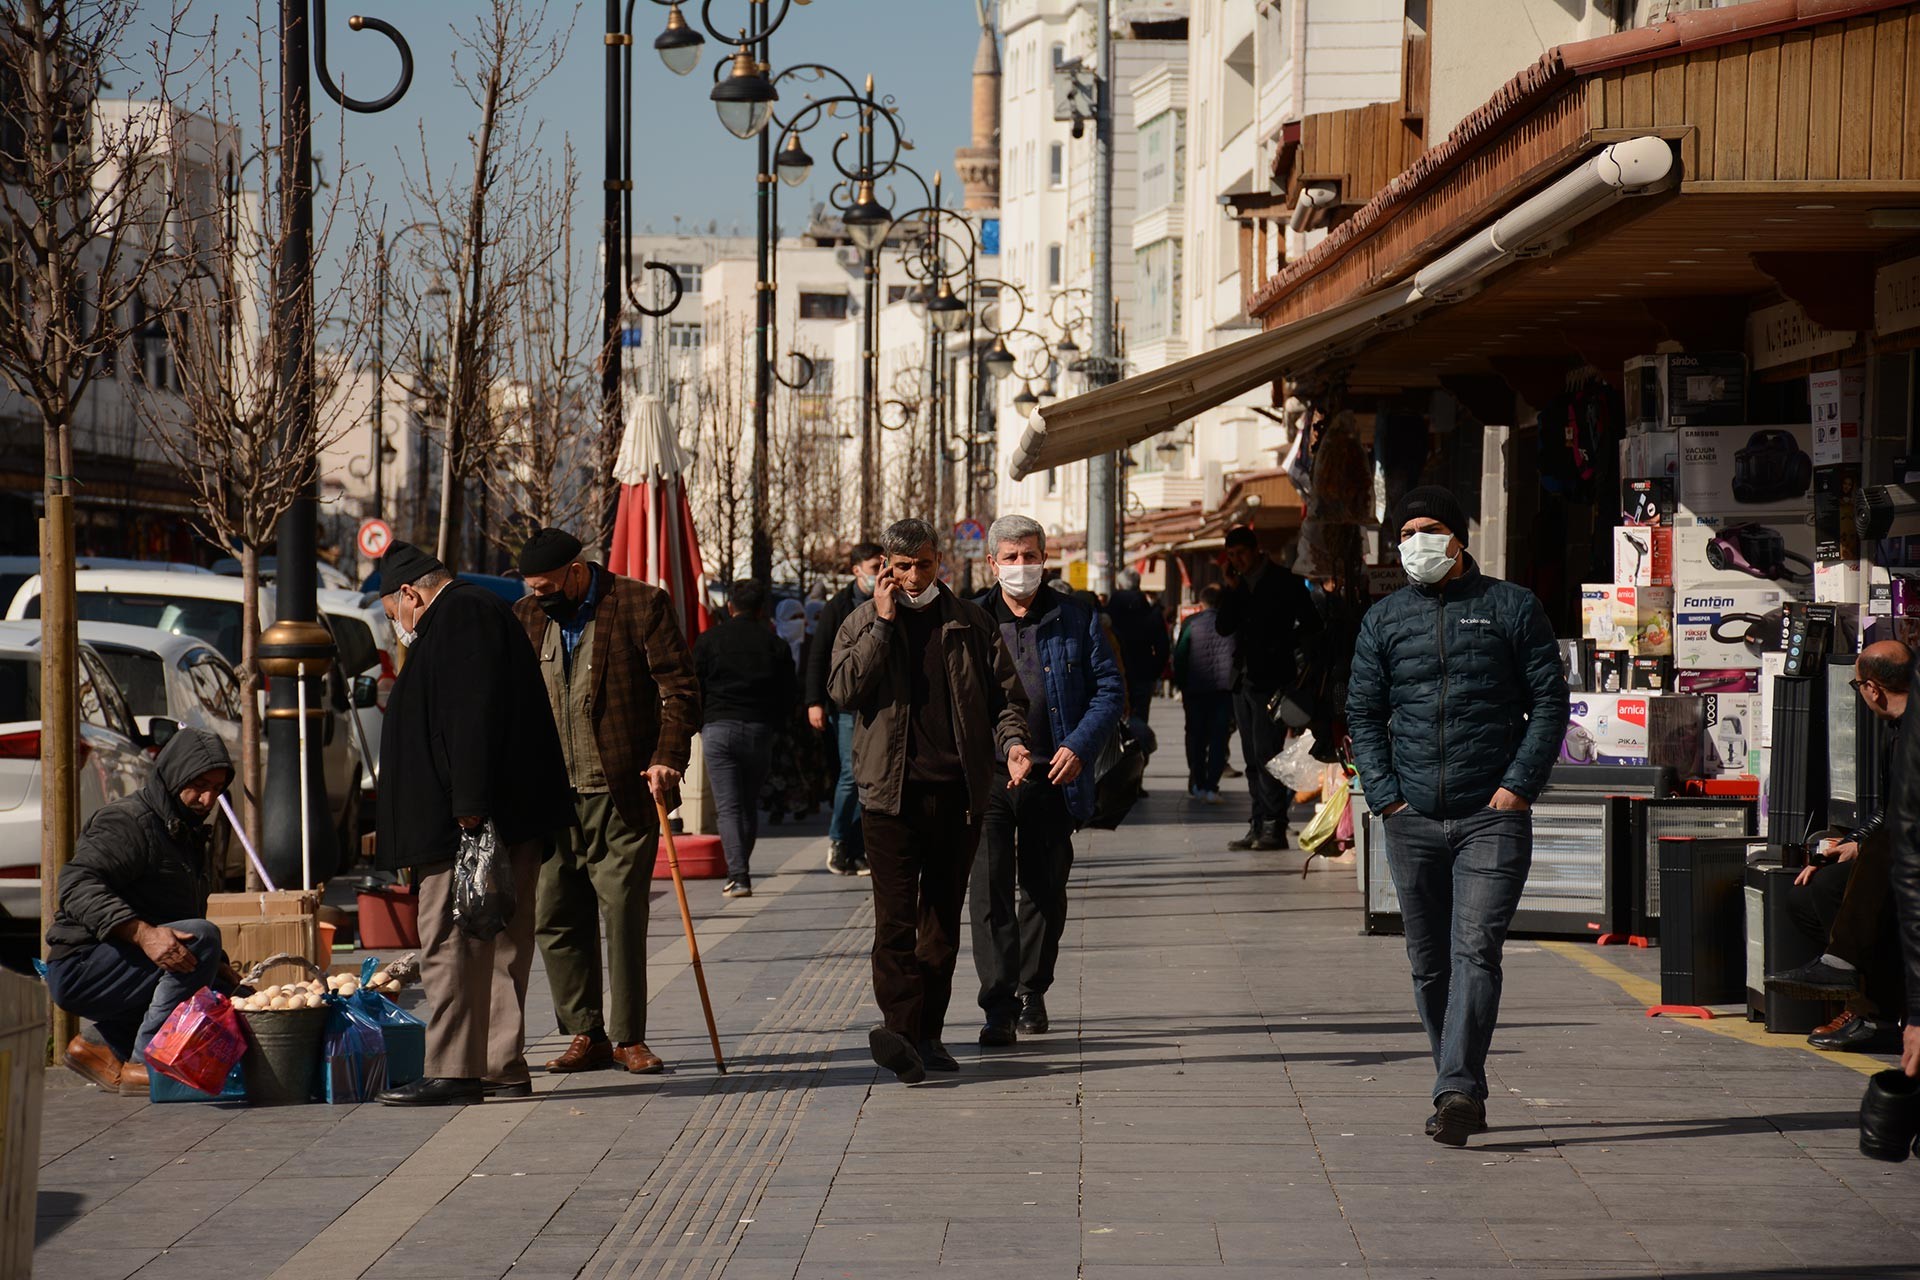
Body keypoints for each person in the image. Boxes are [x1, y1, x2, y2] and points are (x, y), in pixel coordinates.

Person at [1345, 485, 1568, 1147]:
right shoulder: (1383, 620)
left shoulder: (1512, 607)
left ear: (1460, 535)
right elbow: (1361, 713)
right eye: (1406, 531)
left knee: (1475, 951)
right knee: (1427, 962)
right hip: (1410, 817)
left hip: (1490, 816)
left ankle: (1458, 1089)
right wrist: (1387, 796)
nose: (1417, 541)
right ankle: (1456, 1079)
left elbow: (1549, 703)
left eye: (1430, 527)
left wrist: (1518, 787)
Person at [829, 518, 1031, 1083]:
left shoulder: (971, 622)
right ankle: (900, 1031)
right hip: (888, 799)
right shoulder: (861, 622)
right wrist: (883, 626)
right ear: (885, 569)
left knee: (939, 923)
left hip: (958, 795)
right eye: (901, 567)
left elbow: (1008, 700)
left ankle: (928, 1036)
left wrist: (1012, 745)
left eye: (923, 564)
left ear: (939, 560)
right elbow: (844, 691)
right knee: (894, 922)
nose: (913, 576)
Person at [373, 541, 574, 1106]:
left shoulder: (460, 613)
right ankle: (499, 1066)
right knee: (499, 936)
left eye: (395, 615)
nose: (399, 628)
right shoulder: (477, 611)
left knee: (452, 938)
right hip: (497, 814)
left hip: (471, 821)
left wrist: (469, 804)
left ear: (411, 593)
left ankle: (458, 1068)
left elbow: (469, 712)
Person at [514, 528, 700, 1077]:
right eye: (533, 588)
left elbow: (680, 689)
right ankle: (584, 1033)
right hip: (550, 796)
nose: (541, 597)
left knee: (621, 911)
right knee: (555, 915)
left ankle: (627, 1038)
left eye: (549, 586)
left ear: (578, 570)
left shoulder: (641, 603)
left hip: (621, 788)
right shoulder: (526, 616)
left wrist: (669, 756)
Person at [969, 516, 1125, 1047]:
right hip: (988, 776)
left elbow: (1109, 690)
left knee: (1044, 888)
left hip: (1053, 772)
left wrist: (1078, 746)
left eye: (1029, 556)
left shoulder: (1077, 617)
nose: (1020, 567)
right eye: (1010, 558)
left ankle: (1032, 990)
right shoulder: (970, 620)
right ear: (992, 563)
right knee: (989, 891)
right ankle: (998, 1003)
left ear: (1044, 559)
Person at [43, 730, 237, 1096]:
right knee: (202, 938)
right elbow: (74, 884)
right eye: (198, 785)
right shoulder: (128, 821)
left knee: (217, 982)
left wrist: (219, 966)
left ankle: (98, 1046)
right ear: (174, 776)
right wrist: (144, 934)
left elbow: (176, 912)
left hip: (121, 961)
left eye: (216, 787)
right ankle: (145, 1062)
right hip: (82, 964)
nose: (208, 798)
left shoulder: (185, 832)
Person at [1769, 641, 1908, 1051]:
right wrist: (1851, 842)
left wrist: (1863, 847)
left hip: (1906, 850)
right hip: (1899, 844)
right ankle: (1859, 991)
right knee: (1809, 893)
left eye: (1857, 687)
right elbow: (1889, 809)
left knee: (1840, 888)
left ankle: (1872, 1008)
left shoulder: (1911, 732)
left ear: (1872, 688)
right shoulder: (1895, 732)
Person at [1214, 525, 1320, 851]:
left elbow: (1311, 626)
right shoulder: (1237, 587)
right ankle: (1257, 823)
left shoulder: (1285, 581)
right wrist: (1231, 589)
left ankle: (1274, 825)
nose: (1237, 561)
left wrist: (1296, 666)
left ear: (1256, 549)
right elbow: (1224, 627)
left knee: (1267, 754)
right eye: (1231, 556)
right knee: (1250, 756)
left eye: (1241, 553)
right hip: (1242, 681)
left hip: (1273, 682)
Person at [693, 579, 796, 898]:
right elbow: (788, 692)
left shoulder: (708, 640)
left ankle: (738, 875)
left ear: (730, 607)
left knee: (728, 806)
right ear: (762, 609)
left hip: (718, 727)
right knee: (748, 803)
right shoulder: (775, 644)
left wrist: (700, 721)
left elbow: (695, 685)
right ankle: (740, 869)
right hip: (759, 729)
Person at [808, 541, 883, 876]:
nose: (880, 573)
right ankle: (839, 840)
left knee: (873, 777)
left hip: (882, 705)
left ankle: (857, 847)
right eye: (873, 568)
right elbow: (818, 655)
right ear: (856, 571)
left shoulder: (891, 600)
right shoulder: (838, 607)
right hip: (846, 706)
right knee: (851, 775)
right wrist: (813, 701)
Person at [1174, 585, 1236, 803]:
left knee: (1195, 736)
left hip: (1195, 691)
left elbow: (1180, 656)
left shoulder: (1192, 623)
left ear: (1201, 604)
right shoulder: (1229, 623)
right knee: (1219, 738)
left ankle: (1197, 782)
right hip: (1222, 690)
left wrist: (1181, 684)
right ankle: (1212, 786)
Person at [1105, 569, 1169, 724]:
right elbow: (1163, 648)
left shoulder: (1110, 614)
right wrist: (1154, 672)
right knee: (1139, 723)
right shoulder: (1151, 613)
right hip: (1143, 674)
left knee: (1114, 724)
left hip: (1114, 674)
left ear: (1119, 586)